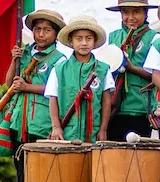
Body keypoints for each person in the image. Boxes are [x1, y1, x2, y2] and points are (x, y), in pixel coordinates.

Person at [2, 9, 67, 182]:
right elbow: (8, 83)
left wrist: (27, 87)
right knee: (20, 162)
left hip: (42, 119)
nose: (41, 34)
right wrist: (14, 60)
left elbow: (55, 88)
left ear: (55, 33)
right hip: (20, 119)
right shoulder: (25, 53)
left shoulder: (60, 59)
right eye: (38, 29)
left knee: (41, 164)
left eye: (47, 30)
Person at [47, 15, 114, 144]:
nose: (84, 43)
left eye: (88, 38)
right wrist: (56, 127)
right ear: (71, 41)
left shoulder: (103, 69)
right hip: (66, 133)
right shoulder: (59, 69)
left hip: (93, 134)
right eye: (79, 39)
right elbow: (53, 98)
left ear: (94, 41)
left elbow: (106, 101)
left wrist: (103, 130)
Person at [105, 0, 159, 141]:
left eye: (136, 12)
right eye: (125, 12)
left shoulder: (154, 38)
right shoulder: (113, 36)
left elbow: (157, 76)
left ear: (146, 13)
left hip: (140, 106)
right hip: (115, 107)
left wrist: (131, 68)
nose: (131, 17)